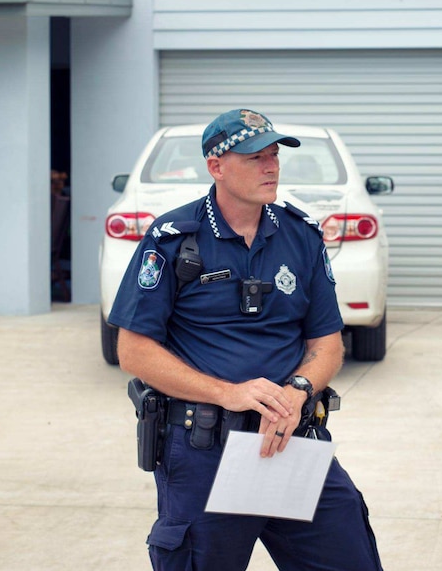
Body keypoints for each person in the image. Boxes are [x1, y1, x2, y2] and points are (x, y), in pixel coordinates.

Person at [108, 108, 383, 571]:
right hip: (203, 452)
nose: (271, 166)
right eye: (255, 157)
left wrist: (298, 392)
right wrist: (230, 394)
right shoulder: (174, 239)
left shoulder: (301, 236)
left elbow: (327, 343)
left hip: (291, 438)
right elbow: (134, 350)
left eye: (274, 155)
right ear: (216, 166)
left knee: (350, 555)